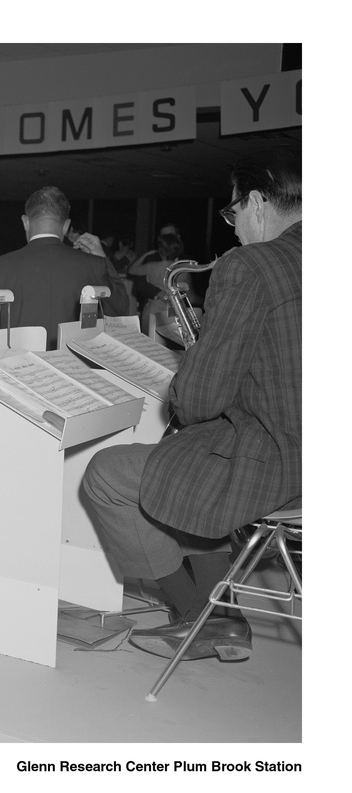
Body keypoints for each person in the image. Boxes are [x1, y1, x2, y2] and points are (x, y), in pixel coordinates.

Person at [82, 148, 301, 662]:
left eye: (232, 212)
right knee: (188, 464)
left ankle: (200, 614)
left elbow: (200, 401)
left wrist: (199, 355)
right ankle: (221, 610)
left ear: (256, 202)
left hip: (278, 463)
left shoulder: (251, 264)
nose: (234, 229)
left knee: (107, 474)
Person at [0, 186, 128, 350]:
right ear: (66, 226)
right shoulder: (95, 265)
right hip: (74, 362)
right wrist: (102, 257)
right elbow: (120, 309)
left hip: (18, 364)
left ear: (25, 222)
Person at [127, 232, 187, 332]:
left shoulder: (152, 266)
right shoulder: (182, 270)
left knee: (150, 338)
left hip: (153, 310)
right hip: (174, 311)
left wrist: (146, 254)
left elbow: (131, 270)